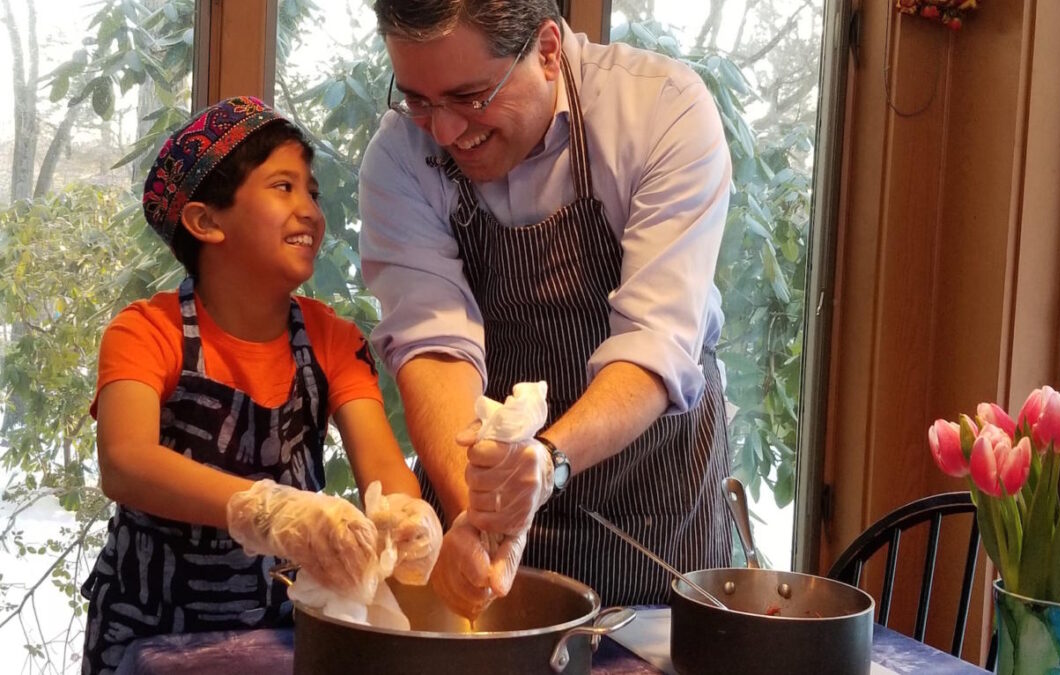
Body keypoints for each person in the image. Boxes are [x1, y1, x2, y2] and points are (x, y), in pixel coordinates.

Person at [359, 0, 733, 617]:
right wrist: (478, 510)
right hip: (480, 498)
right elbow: (433, 344)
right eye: (419, 100)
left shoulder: (661, 109)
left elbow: (656, 339)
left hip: (651, 504)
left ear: (549, 50)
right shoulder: (400, 155)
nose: (446, 132)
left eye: (471, 96)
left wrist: (549, 461)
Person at [81, 96, 441, 674]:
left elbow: (383, 466)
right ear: (206, 221)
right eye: (283, 187)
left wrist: (406, 515)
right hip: (148, 634)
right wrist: (268, 512)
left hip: (281, 635)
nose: (311, 211)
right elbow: (126, 462)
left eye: (313, 192)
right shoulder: (145, 331)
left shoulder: (331, 338)